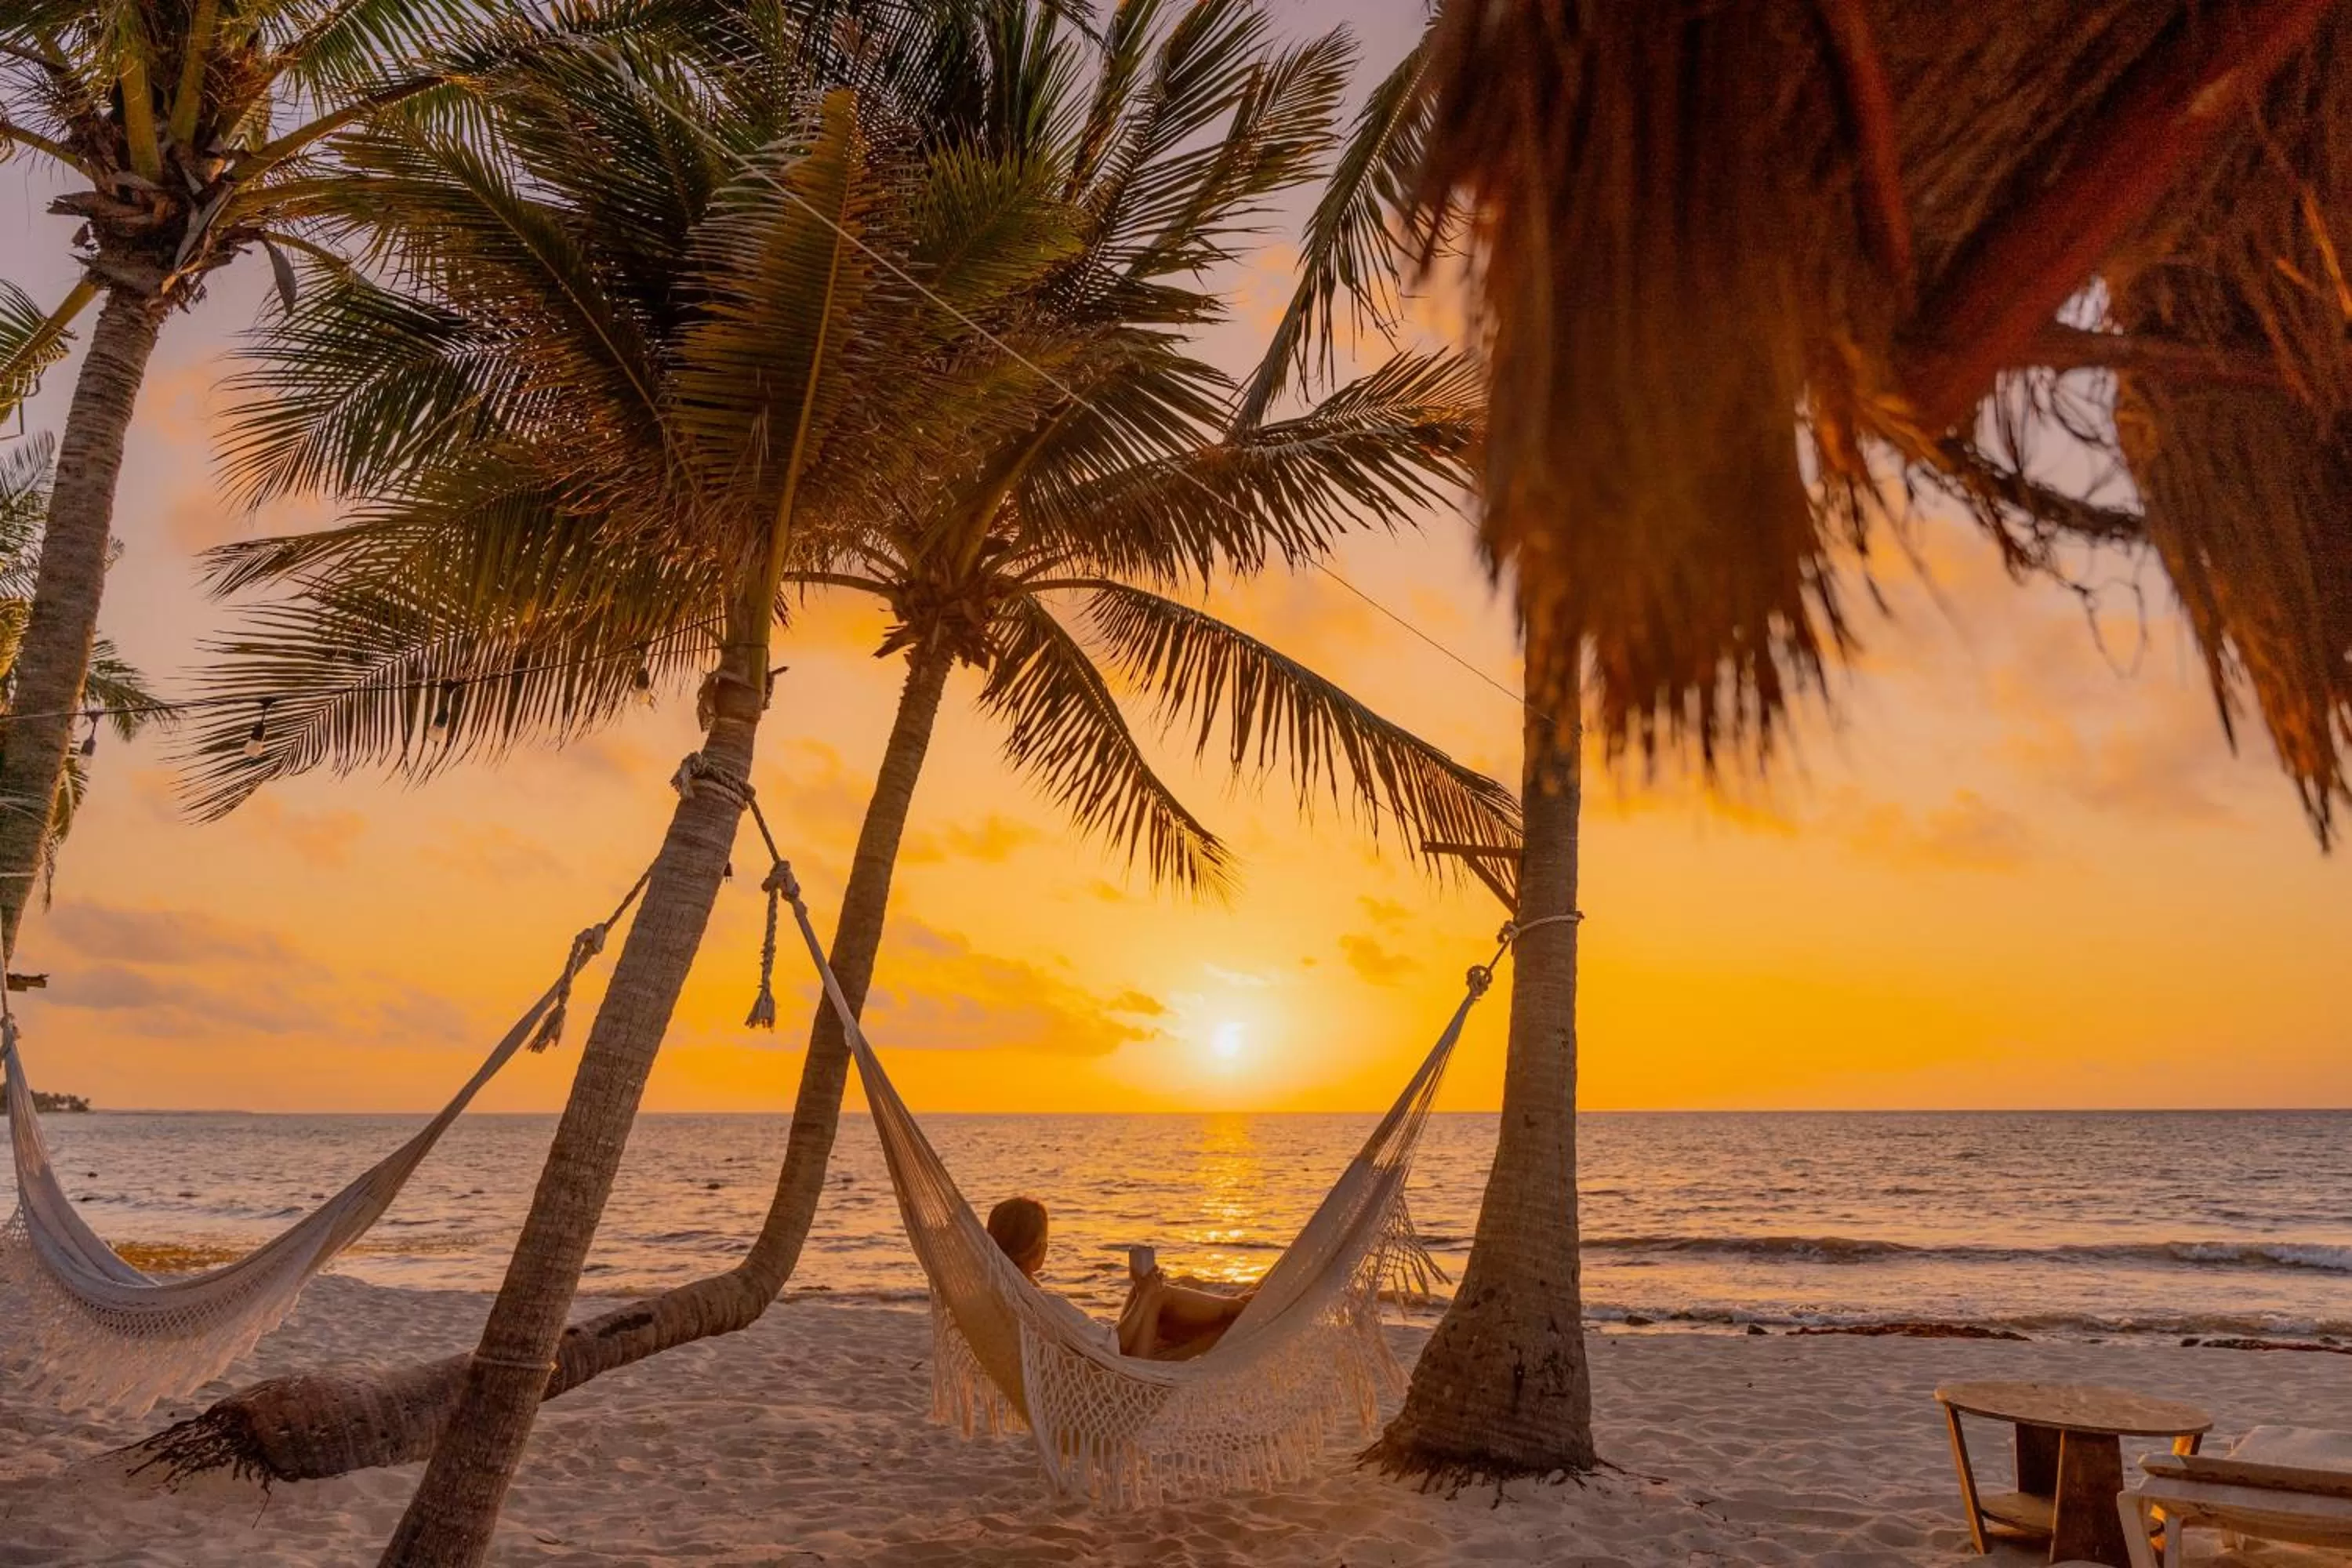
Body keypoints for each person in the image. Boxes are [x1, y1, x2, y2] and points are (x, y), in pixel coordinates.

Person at [984, 1195, 1252, 1361]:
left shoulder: (1006, 1294)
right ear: (1039, 1248)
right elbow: (1117, 1344)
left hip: (1099, 1372)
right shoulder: (1045, 1304)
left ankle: (1229, 1317)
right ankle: (1240, 1308)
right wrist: (1148, 1294)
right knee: (1159, 1295)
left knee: (1143, 1296)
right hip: (1118, 1384)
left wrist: (1141, 1293)